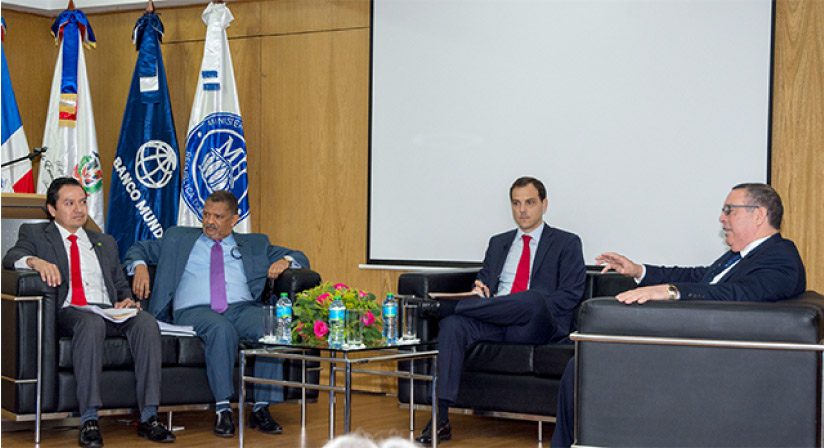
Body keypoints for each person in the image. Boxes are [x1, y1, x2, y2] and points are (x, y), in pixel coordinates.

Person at [550, 182, 806, 448]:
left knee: (582, 364)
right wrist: (639, 270)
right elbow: (697, 277)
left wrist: (671, 292)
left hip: (707, 361)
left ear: (759, 215)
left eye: (730, 210)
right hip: (691, 349)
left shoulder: (780, 257)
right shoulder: (739, 257)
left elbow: (738, 294)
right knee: (580, 362)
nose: (721, 218)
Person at [2, 177, 175, 448]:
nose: (79, 209)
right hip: (70, 312)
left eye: (82, 202)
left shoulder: (104, 241)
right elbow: (11, 257)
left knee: (146, 323)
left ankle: (150, 417)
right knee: (90, 323)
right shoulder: (36, 234)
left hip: (108, 310)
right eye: (69, 203)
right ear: (52, 209)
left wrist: (127, 300)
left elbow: (119, 284)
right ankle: (89, 419)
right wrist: (36, 261)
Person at [414, 176, 587, 446]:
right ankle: (441, 418)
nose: (522, 210)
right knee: (452, 325)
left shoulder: (567, 242)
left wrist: (516, 305)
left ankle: (444, 307)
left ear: (544, 204)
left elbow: (569, 296)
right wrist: (479, 292)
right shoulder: (498, 243)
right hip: (496, 323)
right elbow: (484, 282)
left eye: (530, 203)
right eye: (516, 203)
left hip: (539, 324)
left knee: (532, 299)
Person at [123, 190, 309, 438]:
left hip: (241, 308)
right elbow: (137, 248)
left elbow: (300, 256)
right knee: (221, 329)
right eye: (206, 214)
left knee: (273, 325)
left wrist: (285, 261)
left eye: (218, 217)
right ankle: (223, 409)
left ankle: (261, 409)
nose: (210, 221)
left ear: (234, 219)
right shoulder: (177, 238)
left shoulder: (255, 243)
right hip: (194, 310)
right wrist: (140, 266)